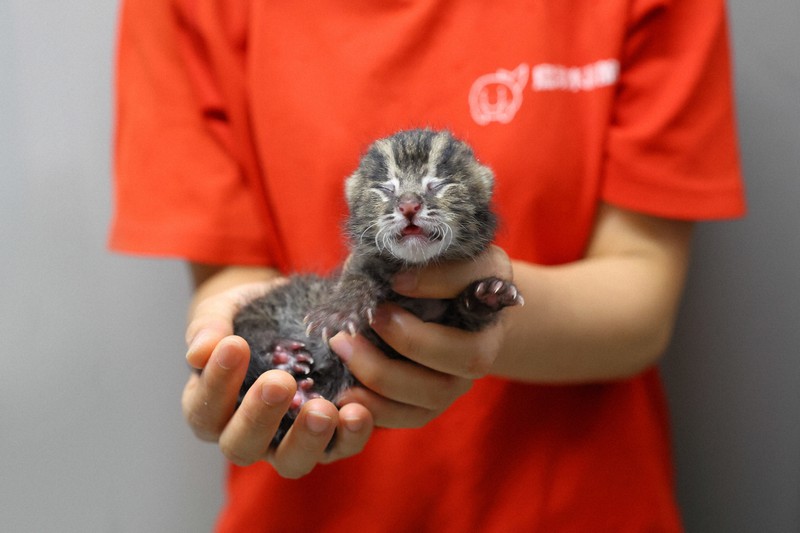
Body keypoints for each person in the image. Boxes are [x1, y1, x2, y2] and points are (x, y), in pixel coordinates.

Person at [110, 0, 745, 530]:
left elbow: (641, 299)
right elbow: (232, 275)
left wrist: (474, 314)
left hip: (569, 499)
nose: (410, 205)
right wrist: (234, 344)